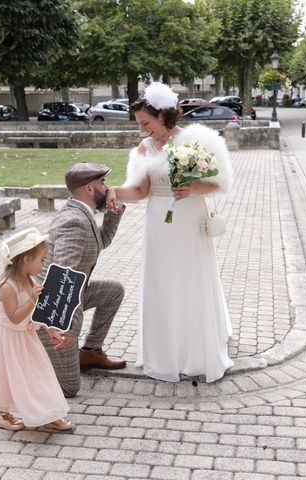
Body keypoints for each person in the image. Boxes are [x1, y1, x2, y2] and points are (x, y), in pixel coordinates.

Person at [107, 82, 234, 383]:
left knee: (192, 280)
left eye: (146, 123)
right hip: (160, 224)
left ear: (163, 115)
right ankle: (165, 353)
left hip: (190, 219)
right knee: (163, 283)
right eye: (139, 124)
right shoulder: (144, 148)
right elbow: (140, 191)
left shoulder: (196, 140)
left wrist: (193, 188)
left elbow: (220, 184)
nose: (143, 130)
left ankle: (196, 351)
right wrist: (113, 191)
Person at [37, 162, 127, 398]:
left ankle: (90, 352)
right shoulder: (74, 221)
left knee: (113, 291)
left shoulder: (79, 212)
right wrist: (68, 329)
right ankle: (17, 371)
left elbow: (100, 242)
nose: (107, 188)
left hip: (71, 295)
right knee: (69, 388)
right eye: (102, 183)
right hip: (51, 312)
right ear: (89, 188)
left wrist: (112, 214)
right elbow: (63, 277)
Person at [0, 227, 75, 433]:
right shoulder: (7, 286)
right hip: (8, 341)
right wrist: (32, 299)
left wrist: (51, 331)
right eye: (41, 259)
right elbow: (14, 318)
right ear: (25, 259)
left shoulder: (30, 281)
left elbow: (39, 312)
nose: (43, 264)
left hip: (27, 339)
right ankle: (2, 415)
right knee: (7, 378)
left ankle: (47, 414)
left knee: (39, 375)